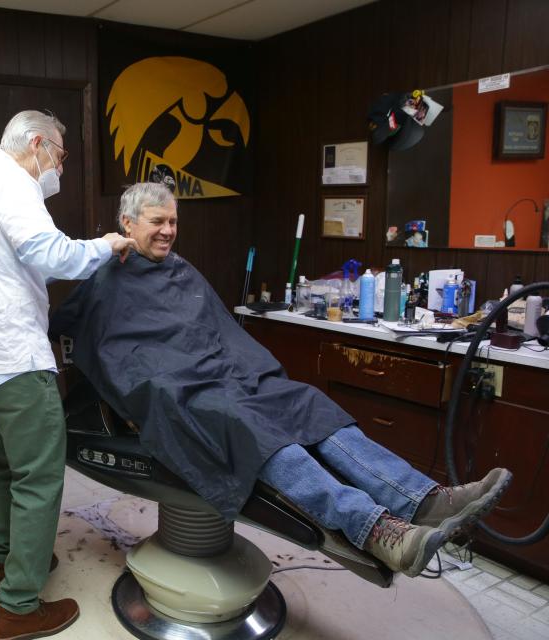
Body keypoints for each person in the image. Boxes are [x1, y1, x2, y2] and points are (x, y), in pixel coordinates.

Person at [49, 182, 511, 578]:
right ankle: (377, 530)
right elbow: (106, 350)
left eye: (173, 221)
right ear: (127, 224)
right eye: (157, 221)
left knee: (305, 402)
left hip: (227, 377)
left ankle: (425, 501)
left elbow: (217, 333)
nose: (168, 230)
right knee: (256, 431)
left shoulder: (181, 270)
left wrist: (243, 372)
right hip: (180, 394)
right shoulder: (105, 281)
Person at [0, 110, 137, 640]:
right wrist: (108, 246)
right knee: (40, 479)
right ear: (36, 143)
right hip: (14, 360)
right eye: (60, 157)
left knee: (5, 467)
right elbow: (50, 256)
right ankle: (19, 607)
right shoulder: (13, 182)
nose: (58, 169)